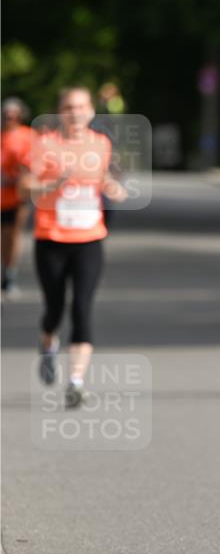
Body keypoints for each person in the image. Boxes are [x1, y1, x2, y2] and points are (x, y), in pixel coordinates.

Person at [19, 86, 127, 407]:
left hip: (89, 239)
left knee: (82, 309)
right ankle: (47, 343)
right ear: (60, 112)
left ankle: (76, 382)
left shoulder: (101, 144)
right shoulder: (45, 144)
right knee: (54, 309)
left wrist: (113, 187)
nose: (75, 112)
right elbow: (25, 185)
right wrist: (49, 185)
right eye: (68, 107)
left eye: (81, 106)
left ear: (91, 111)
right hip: (51, 238)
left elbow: (104, 177)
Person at [1, 97, 34, 297]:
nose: (9, 118)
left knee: (12, 236)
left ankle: (9, 275)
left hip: (16, 197)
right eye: (5, 114)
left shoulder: (28, 136)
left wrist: (15, 177)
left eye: (13, 114)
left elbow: (32, 167)